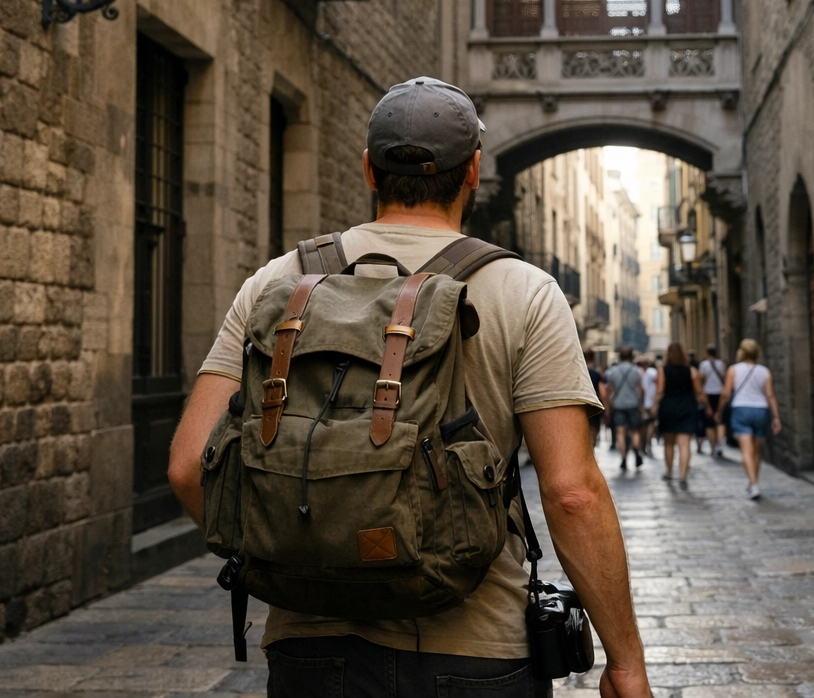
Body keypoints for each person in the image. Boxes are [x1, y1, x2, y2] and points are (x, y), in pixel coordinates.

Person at [166, 77, 652, 698]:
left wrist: (295, 556)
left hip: (312, 653)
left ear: (369, 169)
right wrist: (625, 662)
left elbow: (189, 467)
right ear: (474, 171)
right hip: (476, 652)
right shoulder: (524, 292)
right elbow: (571, 493)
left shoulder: (276, 283)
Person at [715, 338, 781, 500]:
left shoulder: (733, 370)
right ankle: (754, 482)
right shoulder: (764, 371)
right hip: (761, 411)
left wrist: (719, 410)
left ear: (741, 352)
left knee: (746, 450)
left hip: (741, 410)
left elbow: (725, 393)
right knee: (756, 451)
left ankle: (753, 485)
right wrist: (776, 417)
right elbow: (770, 395)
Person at [655, 343, 706, 489]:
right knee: (685, 444)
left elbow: (659, 391)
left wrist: (653, 406)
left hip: (668, 408)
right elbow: (699, 391)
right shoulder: (691, 371)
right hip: (687, 408)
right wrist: (707, 405)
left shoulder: (662, 371)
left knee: (669, 443)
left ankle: (670, 472)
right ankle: (683, 475)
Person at [605, 348, 645, 471]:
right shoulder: (637, 371)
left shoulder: (613, 371)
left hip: (618, 405)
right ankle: (637, 450)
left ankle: (623, 458)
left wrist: (610, 405)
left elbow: (609, 391)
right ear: (632, 357)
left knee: (620, 432)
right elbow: (641, 390)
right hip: (633, 404)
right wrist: (641, 404)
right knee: (635, 430)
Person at [697, 345, 727, 458]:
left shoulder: (704, 364)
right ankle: (720, 445)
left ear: (707, 352)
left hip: (708, 394)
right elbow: (724, 378)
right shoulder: (721, 364)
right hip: (720, 394)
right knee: (720, 421)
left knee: (709, 423)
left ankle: (713, 448)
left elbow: (701, 380)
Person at [585, 349, 607, 447]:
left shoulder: (574, 373)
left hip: (579, 406)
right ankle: (591, 452)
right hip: (593, 406)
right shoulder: (596, 374)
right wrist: (607, 409)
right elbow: (603, 393)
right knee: (593, 431)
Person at [638, 357, 658, 455]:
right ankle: (647, 442)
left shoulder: (637, 372)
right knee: (650, 423)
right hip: (650, 402)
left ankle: (644, 444)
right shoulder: (653, 372)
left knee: (644, 425)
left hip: (643, 403)